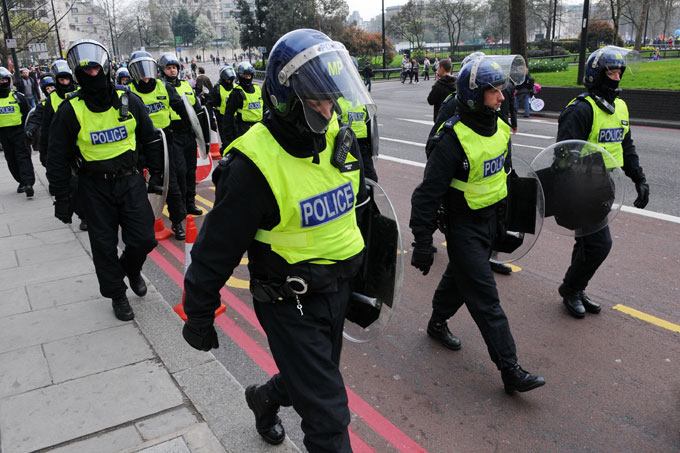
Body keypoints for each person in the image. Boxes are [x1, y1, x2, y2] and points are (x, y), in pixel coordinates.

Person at [181, 28, 375, 452]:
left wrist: (367, 278)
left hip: (338, 289)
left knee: (311, 377)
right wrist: (199, 313)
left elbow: (359, 208)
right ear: (287, 101)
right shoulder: (251, 165)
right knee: (328, 415)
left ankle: (264, 398)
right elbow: (216, 249)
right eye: (316, 101)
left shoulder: (338, 133)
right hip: (291, 302)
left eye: (332, 97)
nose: (329, 109)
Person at [409, 56, 545, 394]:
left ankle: (437, 321)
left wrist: (509, 223)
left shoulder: (500, 128)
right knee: (486, 298)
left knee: (460, 276)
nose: (502, 97)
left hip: (491, 222)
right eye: (493, 91)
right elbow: (426, 195)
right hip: (463, 227)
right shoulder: (452, 139)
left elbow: (506, 177)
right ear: (473, 96)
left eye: (501, 90)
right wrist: (423, 241)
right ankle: (510, 368)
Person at [46, 39, 164, 321]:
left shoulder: (128, 99)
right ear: (76, 75)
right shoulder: (70, 110)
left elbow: (150, 138)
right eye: (85, 72)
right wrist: (61, 197)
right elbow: (57, 157)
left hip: (130, 181)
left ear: (107, 68)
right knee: (103, 244)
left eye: (96, 70)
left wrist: (157, 175)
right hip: (93, 186)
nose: (92, 76)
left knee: (144, 239)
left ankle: (131, 269)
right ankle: (117, 295)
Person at [555, 46, 649, 318]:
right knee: (599, 245)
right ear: (596, 74)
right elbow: (562, 154)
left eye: (619, 72)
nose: (616, 77)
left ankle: (576, 287)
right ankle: (570, 288)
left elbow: (626, 146)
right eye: (610, 71)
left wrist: (639, 178)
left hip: (606, 185)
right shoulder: (581, 110)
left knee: (586, 243)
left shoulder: (620, 106)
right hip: (581, 186)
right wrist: (570, 194)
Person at [128, 50, 190, 240]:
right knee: (137, 185)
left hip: (163, 142)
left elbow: (182, 108)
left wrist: (188, 130)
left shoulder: (164, 88)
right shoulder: (127, 92)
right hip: (139, 144)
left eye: (147, 70)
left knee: (171, 184)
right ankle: (141, 224)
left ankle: (177, 222)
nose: (145, 77)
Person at [159, 52, 210, 217]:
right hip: (174, 135)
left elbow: (196, 109)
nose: (172, 71)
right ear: (162, 70)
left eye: (174, 67)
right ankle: (179, 205)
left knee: (190, 170)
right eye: (168, 68)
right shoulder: (161, 88)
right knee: (179, 171)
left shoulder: (187, 85)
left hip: (189, 133)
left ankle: (190, 202)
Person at [0, 66, 35, 197]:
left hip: (19, 131)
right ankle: (21, 181)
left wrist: (29, 131)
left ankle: (28, 183)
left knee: (23, 157)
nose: (3, 82)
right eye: (0, 80)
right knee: (11, 159)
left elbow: (28, 113)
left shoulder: (17, 97)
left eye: (5, 80)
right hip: (3, 134)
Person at [221, 61, 262, 146]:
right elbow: (228, 115)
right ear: (240, 76)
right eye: (245, 76)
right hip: (243, 130)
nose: (247, 78)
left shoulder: (258, 89)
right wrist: (229, 137)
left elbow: (265, 108)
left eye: (249, 76)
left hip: (259, 128)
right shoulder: (236, 93)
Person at [207, 65, 236, 153]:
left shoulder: (236, 87)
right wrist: (211, 120)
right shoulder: (217, 89)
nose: (230, 82)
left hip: (237, 120)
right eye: (228, 80)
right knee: (227, 144)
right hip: (223, 120)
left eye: (231, 80)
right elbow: (209, 105)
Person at [24, 76, 56, 155]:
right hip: (52, 136)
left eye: (52, 87)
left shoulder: (66, 100)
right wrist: (30, 129)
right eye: (48, 88)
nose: (50, 90)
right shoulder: (43, 105)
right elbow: (35, 119)